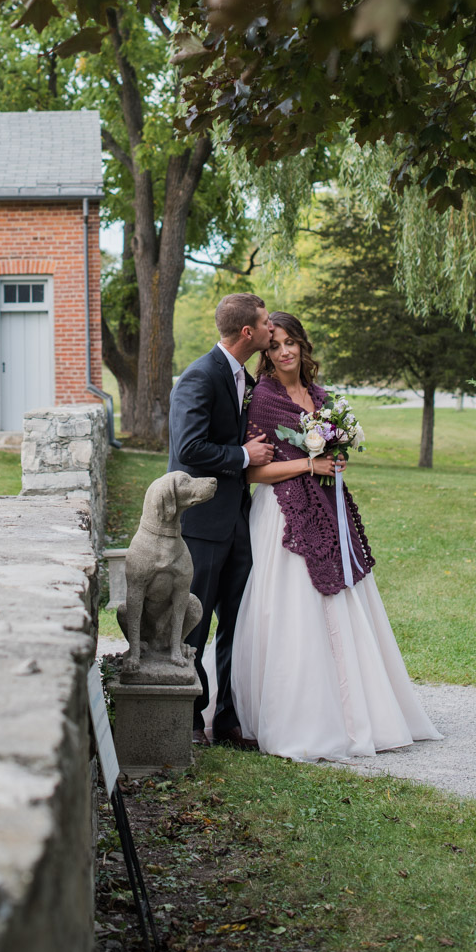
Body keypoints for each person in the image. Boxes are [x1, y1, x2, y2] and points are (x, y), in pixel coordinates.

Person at [226, 311, 441, 761]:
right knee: (294, 612)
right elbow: (254, 471)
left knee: (343, 602)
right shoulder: (263, 398)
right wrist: (310, 464)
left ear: (303, 346)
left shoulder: (321, 397)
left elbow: (327, 454)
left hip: (328, 505)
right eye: (275, 345)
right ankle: (303, 716)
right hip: (283, 515)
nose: (284, 351)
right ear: (265, 352)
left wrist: (335, 460)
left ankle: (359, 708)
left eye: (291, 343)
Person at [168, 293, 275, 747]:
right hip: (201, 522)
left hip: (238, 519)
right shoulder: (199, 376)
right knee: (196, 620)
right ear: (247, 332)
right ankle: (191, 719)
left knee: (237, 618)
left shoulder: (243, 377)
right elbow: (188, 449)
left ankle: (227, 720)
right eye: (267, 323)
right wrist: (243, 455)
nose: (273, 330)